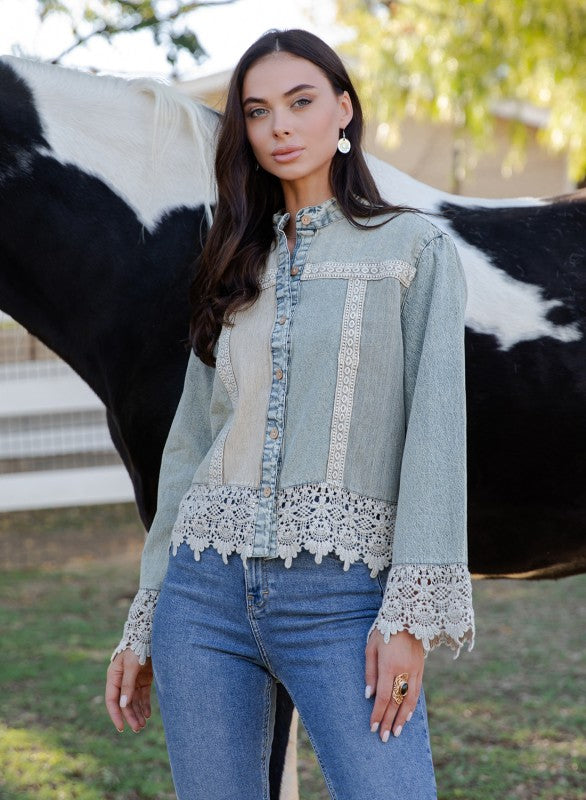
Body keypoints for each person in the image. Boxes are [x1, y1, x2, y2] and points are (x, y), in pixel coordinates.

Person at [105, 27, 475, 800]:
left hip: (342, 603)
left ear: (343, 110)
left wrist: (408, 618)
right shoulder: (233, 260)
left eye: (301, 102)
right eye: (258, 110)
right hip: (202, 601)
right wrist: (146, 615)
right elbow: (190, 446)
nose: (280, 126)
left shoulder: (412, 250)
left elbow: (436, 438)